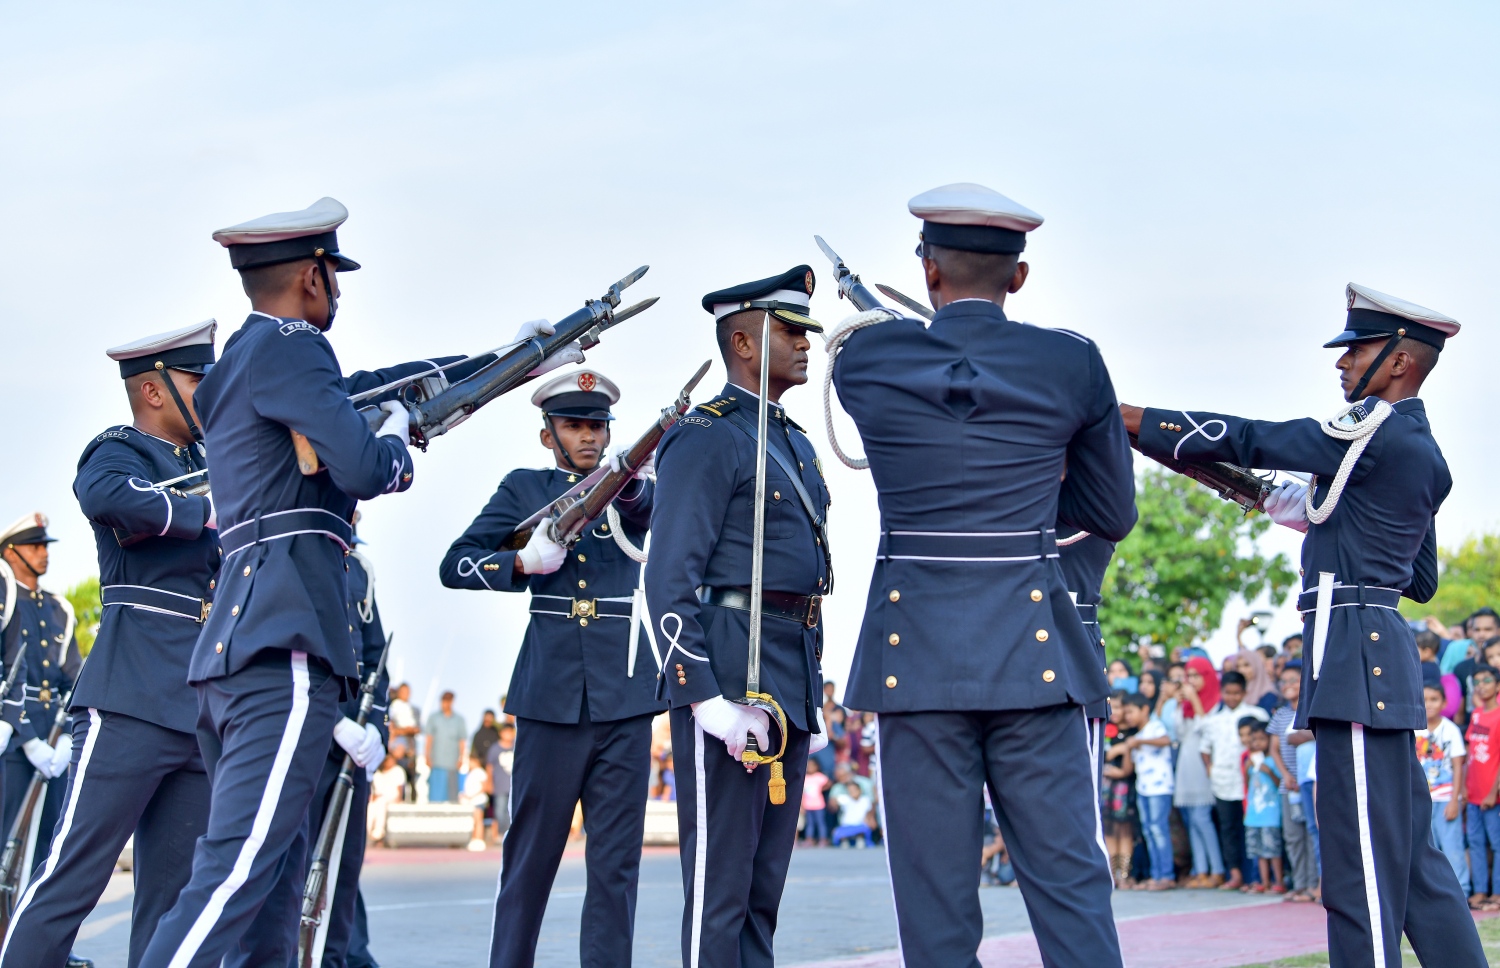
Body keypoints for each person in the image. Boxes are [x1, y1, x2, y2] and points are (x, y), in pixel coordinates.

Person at [136, 197, 507, 968]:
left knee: (272, 893)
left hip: (242, 648)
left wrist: (507, 358)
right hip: (289, 644)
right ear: (312, 276)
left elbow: (372, 387)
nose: (336, 289)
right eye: (333, 274)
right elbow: (369, 466)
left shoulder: (239, 362)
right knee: (236, 876)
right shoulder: (295, 347)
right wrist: (400, 437)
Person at [1122, 281, 1485, 964]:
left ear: (1401, 361)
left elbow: (1256, 437)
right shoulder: (1414, 448)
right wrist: (1265, 495)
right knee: (1414, 867)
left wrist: (1130, 417)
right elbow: (1418, 575)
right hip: (1372, 653)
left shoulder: (1375, 433)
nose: (1342, 363)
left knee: (1359, 869)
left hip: (1351, 656)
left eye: (1359, 349)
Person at [832, 183, 1137, 966]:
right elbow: (1109, 512)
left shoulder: (865, 359)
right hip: (1033, 652)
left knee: (933, 903)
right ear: (1020, 277)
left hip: (915, 654)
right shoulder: (1071, 362)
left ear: (927, 269)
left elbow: (923, 377)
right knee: (1069, 886)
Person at [438, 367, 660, 968]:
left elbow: (650, 514)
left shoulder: (632, 487)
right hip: (550, 696)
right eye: (574, 425)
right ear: (548, 436)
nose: (588, 436)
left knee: (616, 868)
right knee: (530, 859)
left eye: (597, 426)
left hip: (627, 697)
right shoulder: (523, 488)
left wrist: (633, 479)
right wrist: (520, 565)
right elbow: (453, 563)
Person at [647, 265, 831, 968]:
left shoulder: (795, 441)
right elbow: (669, 579)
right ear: (745, 342)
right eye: (790, 331)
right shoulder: (706, 436)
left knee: (762, 892)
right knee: (720, 890)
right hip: (732, 666)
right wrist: (705, 699)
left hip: (791, 665)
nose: (806, 343)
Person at [0, 514, 89, 968]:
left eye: (45, 544)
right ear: (10, 551)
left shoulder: (59, 607)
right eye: (34, 545)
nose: (44, 552)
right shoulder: (3, 596)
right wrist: (26, 735)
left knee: (48, 849)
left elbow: (75, 675)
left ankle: (39, 947)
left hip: (52, 734)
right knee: (3, 844)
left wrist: (72, 734)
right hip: (10, 736)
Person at [1199, 671, 1268, 890]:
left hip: (1251, 783)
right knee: (1228, 828)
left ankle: (1253, 876)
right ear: (1221, 693)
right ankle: (1235, 873)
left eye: (1237, 693)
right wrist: (1210, 769)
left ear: (1245, 692)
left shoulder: (1256, 715)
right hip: (1223, 781)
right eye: (1228, 693)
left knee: (1251, 828)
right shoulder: (1213, 720)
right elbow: (1204, 749)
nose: (1232, 697)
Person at [1267, 661, 1318, 901]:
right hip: (1288, 785)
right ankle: (1299, 883)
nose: (1288, 685)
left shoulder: (1313, 709)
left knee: (1312, 834)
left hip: (1311, 781)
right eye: (1283, 681)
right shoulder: (1281, 714)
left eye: (1293, 680)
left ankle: (1313, 884)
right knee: (1293, 836)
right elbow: (1274, 749)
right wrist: (1286, 775)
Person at [1174, 657, 1224, 888]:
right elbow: (1181, 732)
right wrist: (1178, 705)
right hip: (1187, 762)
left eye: (1196, 676)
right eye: (1189, 676)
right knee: (1193, 820)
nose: (1192, 681)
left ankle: (1217, 870)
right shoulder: (1187, 704)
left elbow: (1207, 730)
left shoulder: (1216, 702)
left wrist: (1194, 701)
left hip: (1204, 764)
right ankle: (1201, 871)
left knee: (1203, 818)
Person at [1417, 682, 1468, 899]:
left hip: (1445, 798)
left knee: (1451, 847)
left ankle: (1461, 892)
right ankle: (1436, 895)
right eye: (1425, 699)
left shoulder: (1451, 730)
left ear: (1445, 703)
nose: (1429, 704)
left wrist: (1455, 799)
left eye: (1434, 699)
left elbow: (1458, 766)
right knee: (1427, 849)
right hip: (1421, 800)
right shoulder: (1414, 729)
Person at [1121, 693, 1175, 889]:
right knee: (1149, 832)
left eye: (1131, 712)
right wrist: (1128, 748)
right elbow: (1129, 767)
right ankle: (1156, 875)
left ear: (1144, 709)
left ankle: (1166, 876)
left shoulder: (1155, 726)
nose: (1127, 716)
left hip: (1159, 788)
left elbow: (1165, 740)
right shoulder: (1137, 735)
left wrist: (1140, 743)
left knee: (1159, 830)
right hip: (1143, 788)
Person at [1464, 664, 1500, 910]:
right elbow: (1471, 753)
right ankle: (1479, 891)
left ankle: (1497, 892)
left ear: (1497, 685)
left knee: (1496, 844)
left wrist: (1493, 791)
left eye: (1487, 680)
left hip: (1491, 794)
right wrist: (1466, 787)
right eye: (1477, 681)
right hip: (1473, 792)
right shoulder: (1476, 714)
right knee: (1475, 841)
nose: (1481, 685)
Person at [1242, 721, 1286, 894]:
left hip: (1270, 815)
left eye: (1261, 739)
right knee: (1258, 851)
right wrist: (1247, 769)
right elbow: (1248, 786)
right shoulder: (1252, 762)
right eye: (1254, 740)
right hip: (1253, 815)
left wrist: (1269, 771)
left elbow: (1279, 783)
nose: (1257, 743)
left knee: (1273, 850)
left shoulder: (1273, 761)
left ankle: (1279, 881)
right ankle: (1264, 882)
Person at [424, 692, 467, 803]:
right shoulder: (434, 718)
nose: (445, 703)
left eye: (448, 701)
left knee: (452, 797)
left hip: (452, 764)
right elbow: (429, 738)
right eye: (444, 700)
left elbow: (462, 741)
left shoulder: (459, 720)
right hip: (437, 762)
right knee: (435, 797)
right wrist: (427, 756)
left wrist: (462, 758)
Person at [367, 753, 405, 845]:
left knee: (381, 803)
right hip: (379, 797)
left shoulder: (398, 770)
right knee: (371, 806)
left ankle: (378, 832)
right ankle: (367, 831)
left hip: (392, 796)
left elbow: (400, 787)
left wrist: (399, 799)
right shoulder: (378, 773)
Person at [829, 780, 874, 848]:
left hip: (860, 824)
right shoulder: (845, 799)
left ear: (860, 790)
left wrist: (870, 820)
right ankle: (844, 841)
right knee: (837, 832)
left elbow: (869, 812)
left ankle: (860, 839)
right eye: (850, 790)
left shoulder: (865, 800)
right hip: (847, 824)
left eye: (854, 790)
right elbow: (833, 801)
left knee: (864, 828)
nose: (852, 792)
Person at [1236, 648, 1280, 713]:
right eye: (1238, 666)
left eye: (1246, 665)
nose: (1241, 670)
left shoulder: (1268, 695)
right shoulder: (1235, 693)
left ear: (1257, 666)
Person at [801, 761, 829, 846]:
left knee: (820, 823)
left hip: (819, 805)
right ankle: (809, 839)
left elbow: (829, 783)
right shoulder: (805, 777)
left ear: (817, 767)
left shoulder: (819, 776)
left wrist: (821, 789)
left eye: (812, 766)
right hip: (808, 805)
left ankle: (823, 839)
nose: (810, 768)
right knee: (810, 823)